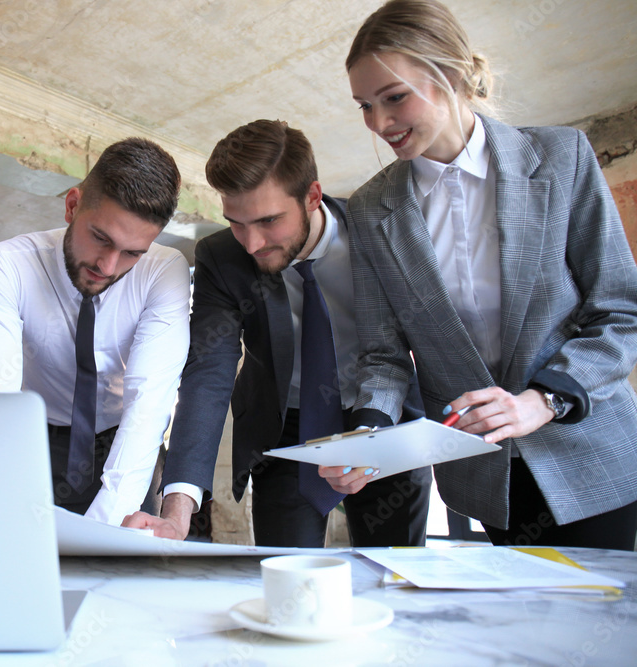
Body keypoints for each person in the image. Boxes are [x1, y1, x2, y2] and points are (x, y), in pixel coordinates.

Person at [339, 0, 637, 550]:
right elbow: (382, 355)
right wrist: (368, 434)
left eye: (395, 97)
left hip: (592, 452)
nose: (379, 124)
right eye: (364, 106)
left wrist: (540, 401)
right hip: (485, 474)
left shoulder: (561, 157)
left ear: (452, 75)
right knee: (518, 633)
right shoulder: (370, 209)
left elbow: (620, 310)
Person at [123, 120, 431, 547]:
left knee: (396, 568)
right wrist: (176, 514)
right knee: (282, 570)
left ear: (312, 196)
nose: (251, 243)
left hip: (388, 420)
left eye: (269, 220)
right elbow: (208, 377)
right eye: (236, 222)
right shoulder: (220, 258)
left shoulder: (377, 230)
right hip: (288, 429)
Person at [0, 137, 189, 526]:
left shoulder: (163, 272)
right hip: (34, 442)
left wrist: (107, 532)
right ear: (72, 205)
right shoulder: (7, 265)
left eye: (133, 252)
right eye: (101, 238)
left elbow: (149, 402)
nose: (108, 264)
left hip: (125, 447)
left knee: (125, 574)